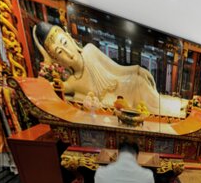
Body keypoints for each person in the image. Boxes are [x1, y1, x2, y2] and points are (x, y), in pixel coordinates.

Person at [33, 22, 188, 118]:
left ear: (70, 39)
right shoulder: (73, 82)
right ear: (57, 59)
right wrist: (48, 76)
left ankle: (177, 108)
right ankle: (176, 107)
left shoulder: (90, 51)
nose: (67, 52)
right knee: (150, 101)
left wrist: (138, 69)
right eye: (59, 52)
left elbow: (117, 69)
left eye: (65, 43)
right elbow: (56, 88)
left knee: (143, 86)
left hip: (123, 85)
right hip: (114, 102)